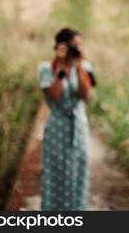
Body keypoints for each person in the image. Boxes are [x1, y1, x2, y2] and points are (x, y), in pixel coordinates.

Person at [37, 27, 97, 210]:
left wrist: (77, 67)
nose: (75, 49)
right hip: (57, 126)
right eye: (72, 45)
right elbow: (54, 94)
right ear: (57, 47)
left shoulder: (85, 67)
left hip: (78, 126)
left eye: (78, 45)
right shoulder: (47, 68)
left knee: (78, 171)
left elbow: (85, 95)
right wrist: (62, 68)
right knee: (55, 172)